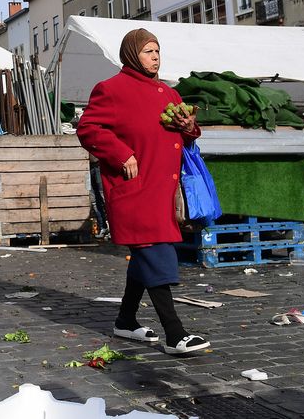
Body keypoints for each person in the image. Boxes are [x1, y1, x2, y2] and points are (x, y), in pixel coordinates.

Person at [76, 29, 211, 355]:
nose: (155, 57)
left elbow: (188, 137)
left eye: (157, 50)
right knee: (156, 252)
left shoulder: (170, 93)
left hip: (164, 188)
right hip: (135, 189)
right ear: (132, 54)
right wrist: (122, 154)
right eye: (148, 51)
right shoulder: (112, 90)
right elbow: (88, 128)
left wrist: (189, 128)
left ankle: (125, 321)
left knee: (145, 256)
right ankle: (174, 334)